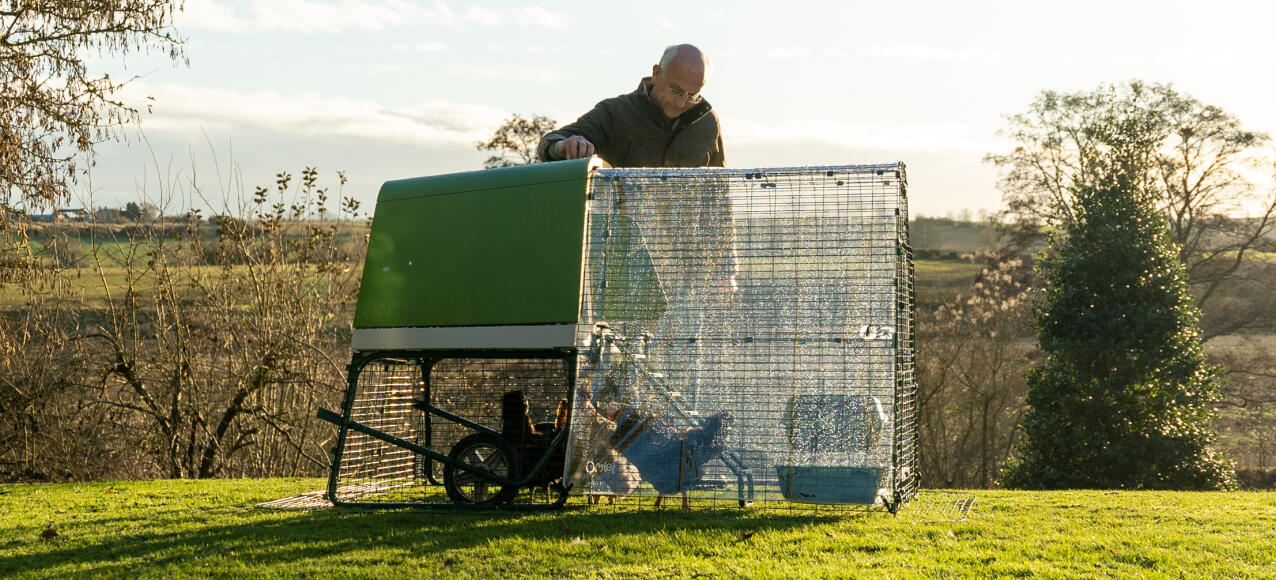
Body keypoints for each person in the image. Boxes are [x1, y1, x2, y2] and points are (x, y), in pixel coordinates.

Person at [536, 44, 724, 168]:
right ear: (656, 73)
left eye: (693, 95)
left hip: (684, 230)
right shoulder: (615, 112)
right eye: (676, 91)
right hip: (619, 228)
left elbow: (721, 192)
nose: (682, 102)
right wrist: (563, 146)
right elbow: (550, 142)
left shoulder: (708, 123)